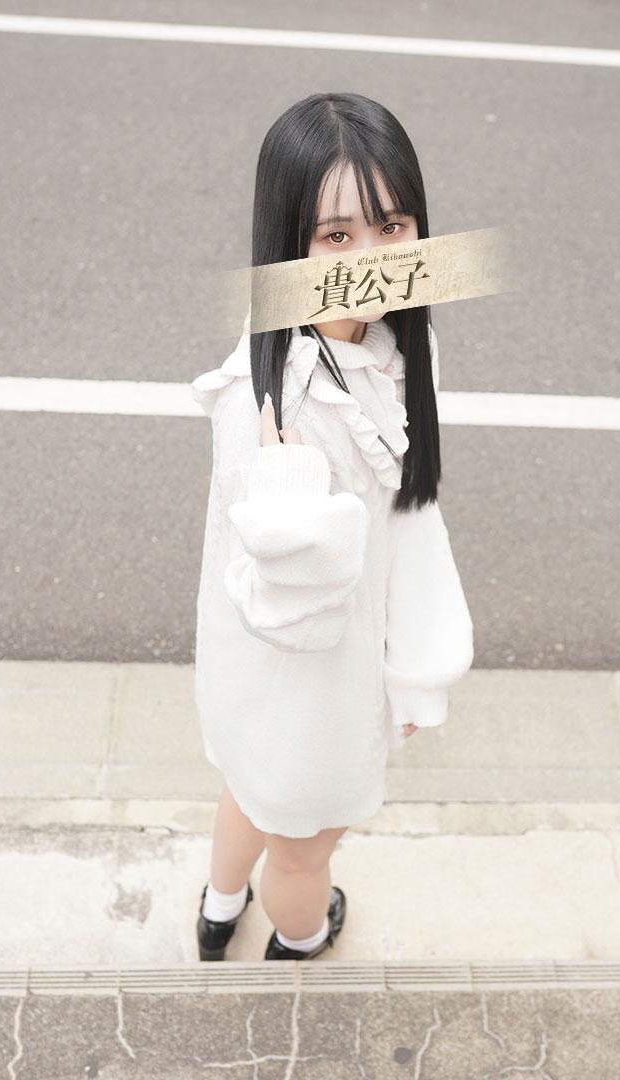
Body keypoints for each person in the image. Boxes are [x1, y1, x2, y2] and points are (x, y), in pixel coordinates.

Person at [191, 92, 474, 962]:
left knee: (250, 789)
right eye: (337, 235)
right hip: (308, 691)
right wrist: (285, 490)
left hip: (268, 690)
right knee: (303, 854)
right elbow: (290, 614)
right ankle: (301, 937)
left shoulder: (390, 340)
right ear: (291, 240)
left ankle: (218, 908)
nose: (373, 259)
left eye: (392, 227)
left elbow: (404, 515)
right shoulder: (275, 401)